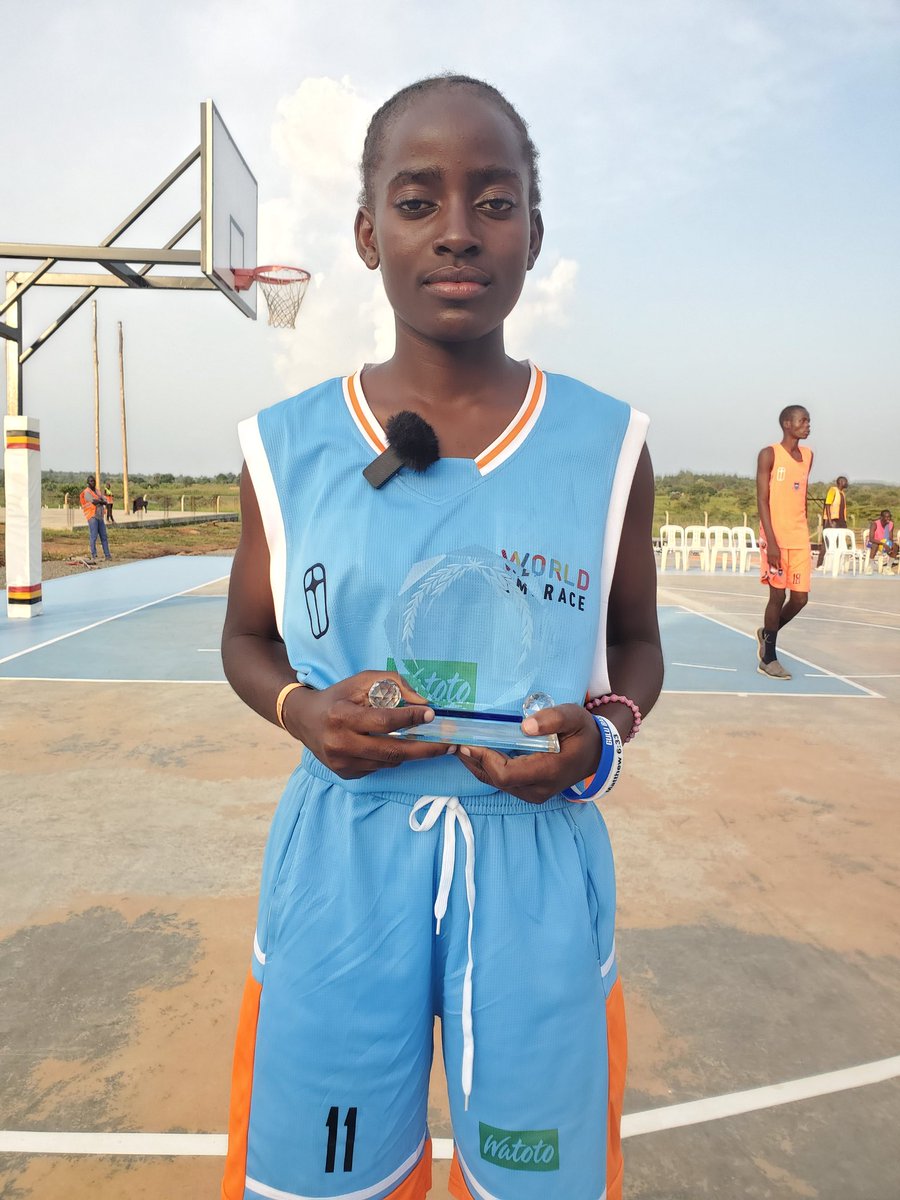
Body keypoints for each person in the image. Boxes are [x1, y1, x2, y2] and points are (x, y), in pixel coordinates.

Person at [220, 75, 663, 1200]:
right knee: (320, 1180)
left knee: (539, 1182)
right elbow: (246, 639)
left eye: (495, 200)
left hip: (533, 866)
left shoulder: (610, 444)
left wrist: (597, 742)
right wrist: (300, 710)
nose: (459, 231)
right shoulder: (288, 446)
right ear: (369, 234)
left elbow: (636, 649)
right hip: (342, 862)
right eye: (418, 202)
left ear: (532, 232)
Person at [755, 406, 813, 679]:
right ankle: (769, 657)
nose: (808, 425)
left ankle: (766, 633)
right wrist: (772, 541)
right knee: (777, 596)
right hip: (774, 537)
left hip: (800, 537)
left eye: (808, 421)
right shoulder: (769, 454)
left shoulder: (809, 456)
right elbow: (762, 500)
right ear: (787, 424)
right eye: (803, 420)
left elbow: (802, 495)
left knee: (800, 599)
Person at [78, 474, 112, 563]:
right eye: (91, 481)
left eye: (94, 481)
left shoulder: (97, 491)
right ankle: (94, 555)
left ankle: (107, 555)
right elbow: (94, 501)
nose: (93, 482)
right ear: (88, 483)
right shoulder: (86, 492)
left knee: (104, 536)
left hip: (100, 516)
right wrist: (101, 501)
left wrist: (101, 501)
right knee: (93, 536)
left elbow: (105, 501)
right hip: (92, 516)